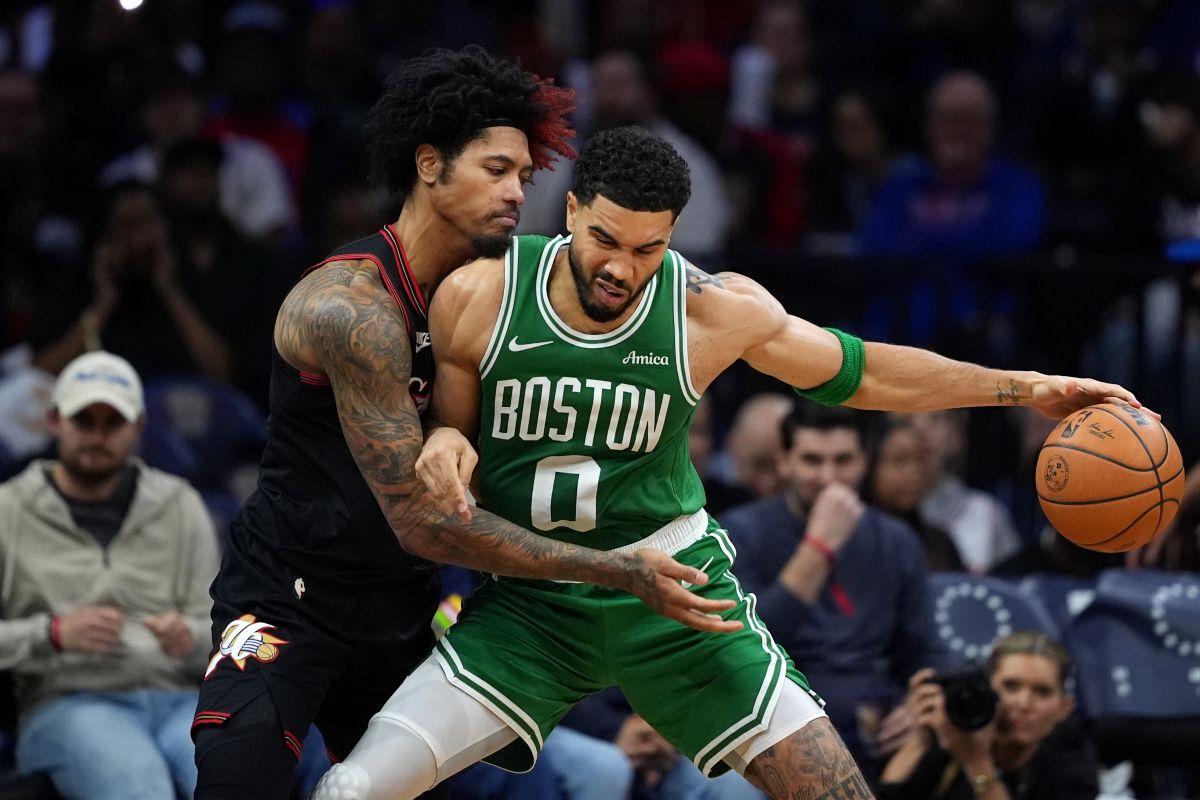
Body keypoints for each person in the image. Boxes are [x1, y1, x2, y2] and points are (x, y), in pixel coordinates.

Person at [314, 125, 1143, 800]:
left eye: (647, 249)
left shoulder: (708, 308)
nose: (621, 268)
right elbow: (453, 431)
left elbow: (865, 370)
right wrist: (445, 447)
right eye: (604, 238)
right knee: (351, 790)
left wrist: (1026, 386)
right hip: (534, 606)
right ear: (569, 210)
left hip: (677, 599)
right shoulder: (482, 295)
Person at [192, 48, 732, 800]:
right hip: (290, 592)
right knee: (239, 779)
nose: (518, 192)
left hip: (402, 607)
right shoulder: (351, 309)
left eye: (524, 175)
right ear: (429, 165)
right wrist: (615, 568)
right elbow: (420, 520)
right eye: (497, 169)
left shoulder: (504, 296)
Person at [0, 350, 219, 799]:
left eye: (112, 423)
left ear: (138, 427)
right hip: (70, 703)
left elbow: (223, 634)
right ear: (54, 421)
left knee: (231, 779)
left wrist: (190, 636)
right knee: (141, 787)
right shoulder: (7, 510)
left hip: (181, 700)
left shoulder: (180, 503)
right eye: (84, 421)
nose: (97, 437)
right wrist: (53, 633)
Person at [722, 402, 947, 779]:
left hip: (881, 725)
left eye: (843, 460)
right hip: (779, 719)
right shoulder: (740, 533)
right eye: (812, 460)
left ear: (865, 461)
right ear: (784, 462)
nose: (828, 477)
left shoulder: (896, 540)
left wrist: (917, 706)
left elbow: (924, 649)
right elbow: (748, 646)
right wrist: (819, 547)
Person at [877, 631, 1100, 800]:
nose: (1024, 704)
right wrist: (917, 742)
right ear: (987, 688)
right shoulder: (951, 736)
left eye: (1042, 692)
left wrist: (976, 762)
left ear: (1064, 707)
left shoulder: (1073, 766)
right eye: (1010, 686)